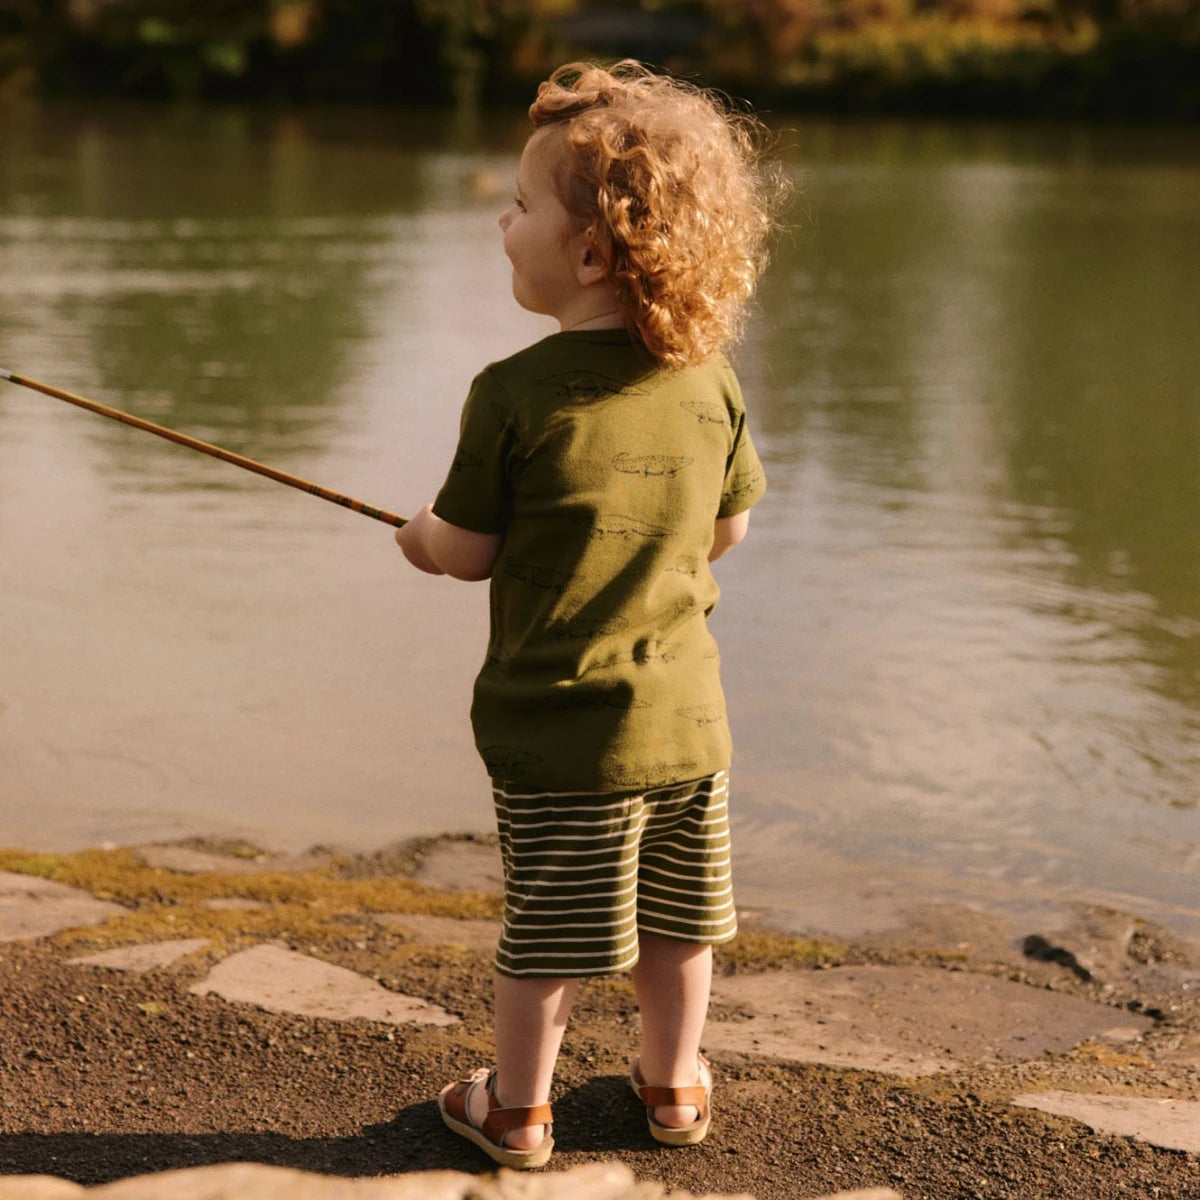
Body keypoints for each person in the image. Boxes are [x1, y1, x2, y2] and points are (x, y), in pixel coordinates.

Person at [395, 59, 784, 1170]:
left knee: (549, 938)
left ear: (588, 252)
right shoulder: (707, 382)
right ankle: (674, 1087)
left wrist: (419, 536)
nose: (502, 225)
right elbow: (727, 532)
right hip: (687, 726)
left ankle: (516, 1110)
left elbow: (461, 552)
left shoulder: (512, 394)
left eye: (519, 207)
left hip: (563, 732)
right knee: (679, 921)